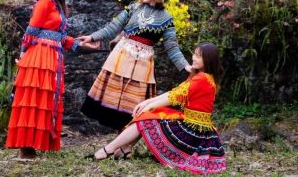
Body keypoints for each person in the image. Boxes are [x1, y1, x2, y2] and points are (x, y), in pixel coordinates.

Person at [78, 0, 191, 130]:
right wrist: (92, 36)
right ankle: (118, 141)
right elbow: (113, 27)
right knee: (114, 99)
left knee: (133, 104)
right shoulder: (133, 8)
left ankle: (125, 143)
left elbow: (172, 48)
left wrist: (185, 66)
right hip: (121, 58)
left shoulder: (166, 19)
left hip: (142, 64)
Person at [92, 42, 226, 175]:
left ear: (208, 60)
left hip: (194, 131)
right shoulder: (204, 77)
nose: (193, 58)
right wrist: (148, 102)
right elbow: (174, 92)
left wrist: (148, 105)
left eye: (198, 56)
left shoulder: (202, 78)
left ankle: (108, 150)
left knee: (147, 116)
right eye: (195, 55)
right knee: (151, 113)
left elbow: (174, 96)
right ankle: (124, 149)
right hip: (196, 126)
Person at [5, 0, 82, 159]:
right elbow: (31, 30)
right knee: (33, 100)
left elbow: (61, 38)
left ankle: (35, 144)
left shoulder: (59, 5)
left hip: (52, 57)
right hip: (39, 56)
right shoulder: (45, 1)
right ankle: (25, 148)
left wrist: (81, 44)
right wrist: (23, 53)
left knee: (44, 101)